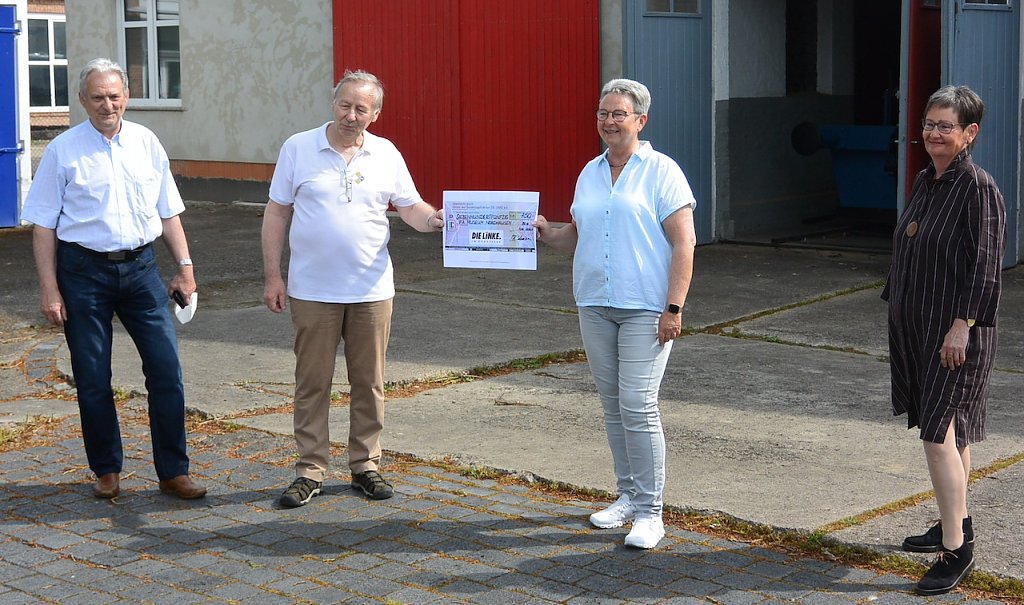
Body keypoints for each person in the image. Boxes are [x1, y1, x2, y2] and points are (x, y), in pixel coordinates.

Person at [22, 58, 206, 500]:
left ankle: (173, 472)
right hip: (82, 274)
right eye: (98, 97)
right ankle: (106, 469)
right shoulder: (63, 151)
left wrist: (185, 268)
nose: (108, 105)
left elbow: (168, 211)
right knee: (91, 376)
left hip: (141, 270)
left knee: (166, 370)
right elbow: (43, 226)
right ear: (83, 100)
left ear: (127, 96)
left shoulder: (146, 142)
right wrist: (49, 288)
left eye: (114, 96)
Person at [262, 69, 443, 508]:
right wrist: (273, 275)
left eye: (361, 108)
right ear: (333, 104)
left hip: (372, 289)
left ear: (375, 114)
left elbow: (410, 206)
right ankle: (310, 470)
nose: (351, 114)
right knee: (312, 383)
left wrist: (435, 220)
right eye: (344, 105)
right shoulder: (298, 147)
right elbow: (276, 213)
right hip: (312, 290)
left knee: (369, 383)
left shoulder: (386, 153)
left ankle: (365, 465)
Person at [534, 79, 697, 549]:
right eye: (603, 113)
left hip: (646, 306)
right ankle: (627, 496)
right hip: (594, 303)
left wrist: (673, 307)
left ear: (640, 120)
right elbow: (578, 234)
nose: (609, 121)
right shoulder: (590, 171)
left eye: (618, 114)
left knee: (638, 406)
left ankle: (650, 513)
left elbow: (684, 242)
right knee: (613, 406)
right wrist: (546, 233)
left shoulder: (662, 171)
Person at [882, 85, 1005, 596]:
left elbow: (986, 267)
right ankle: (955, 519)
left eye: (945, 126)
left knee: (937, 436)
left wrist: (963, 326)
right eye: (929, 124)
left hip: (954, 335)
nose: (933, 133)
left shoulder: (977, 188)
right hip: (919, 327)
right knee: (953, 436)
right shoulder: (926, 180)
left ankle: (957, 550)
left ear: (969, 133)